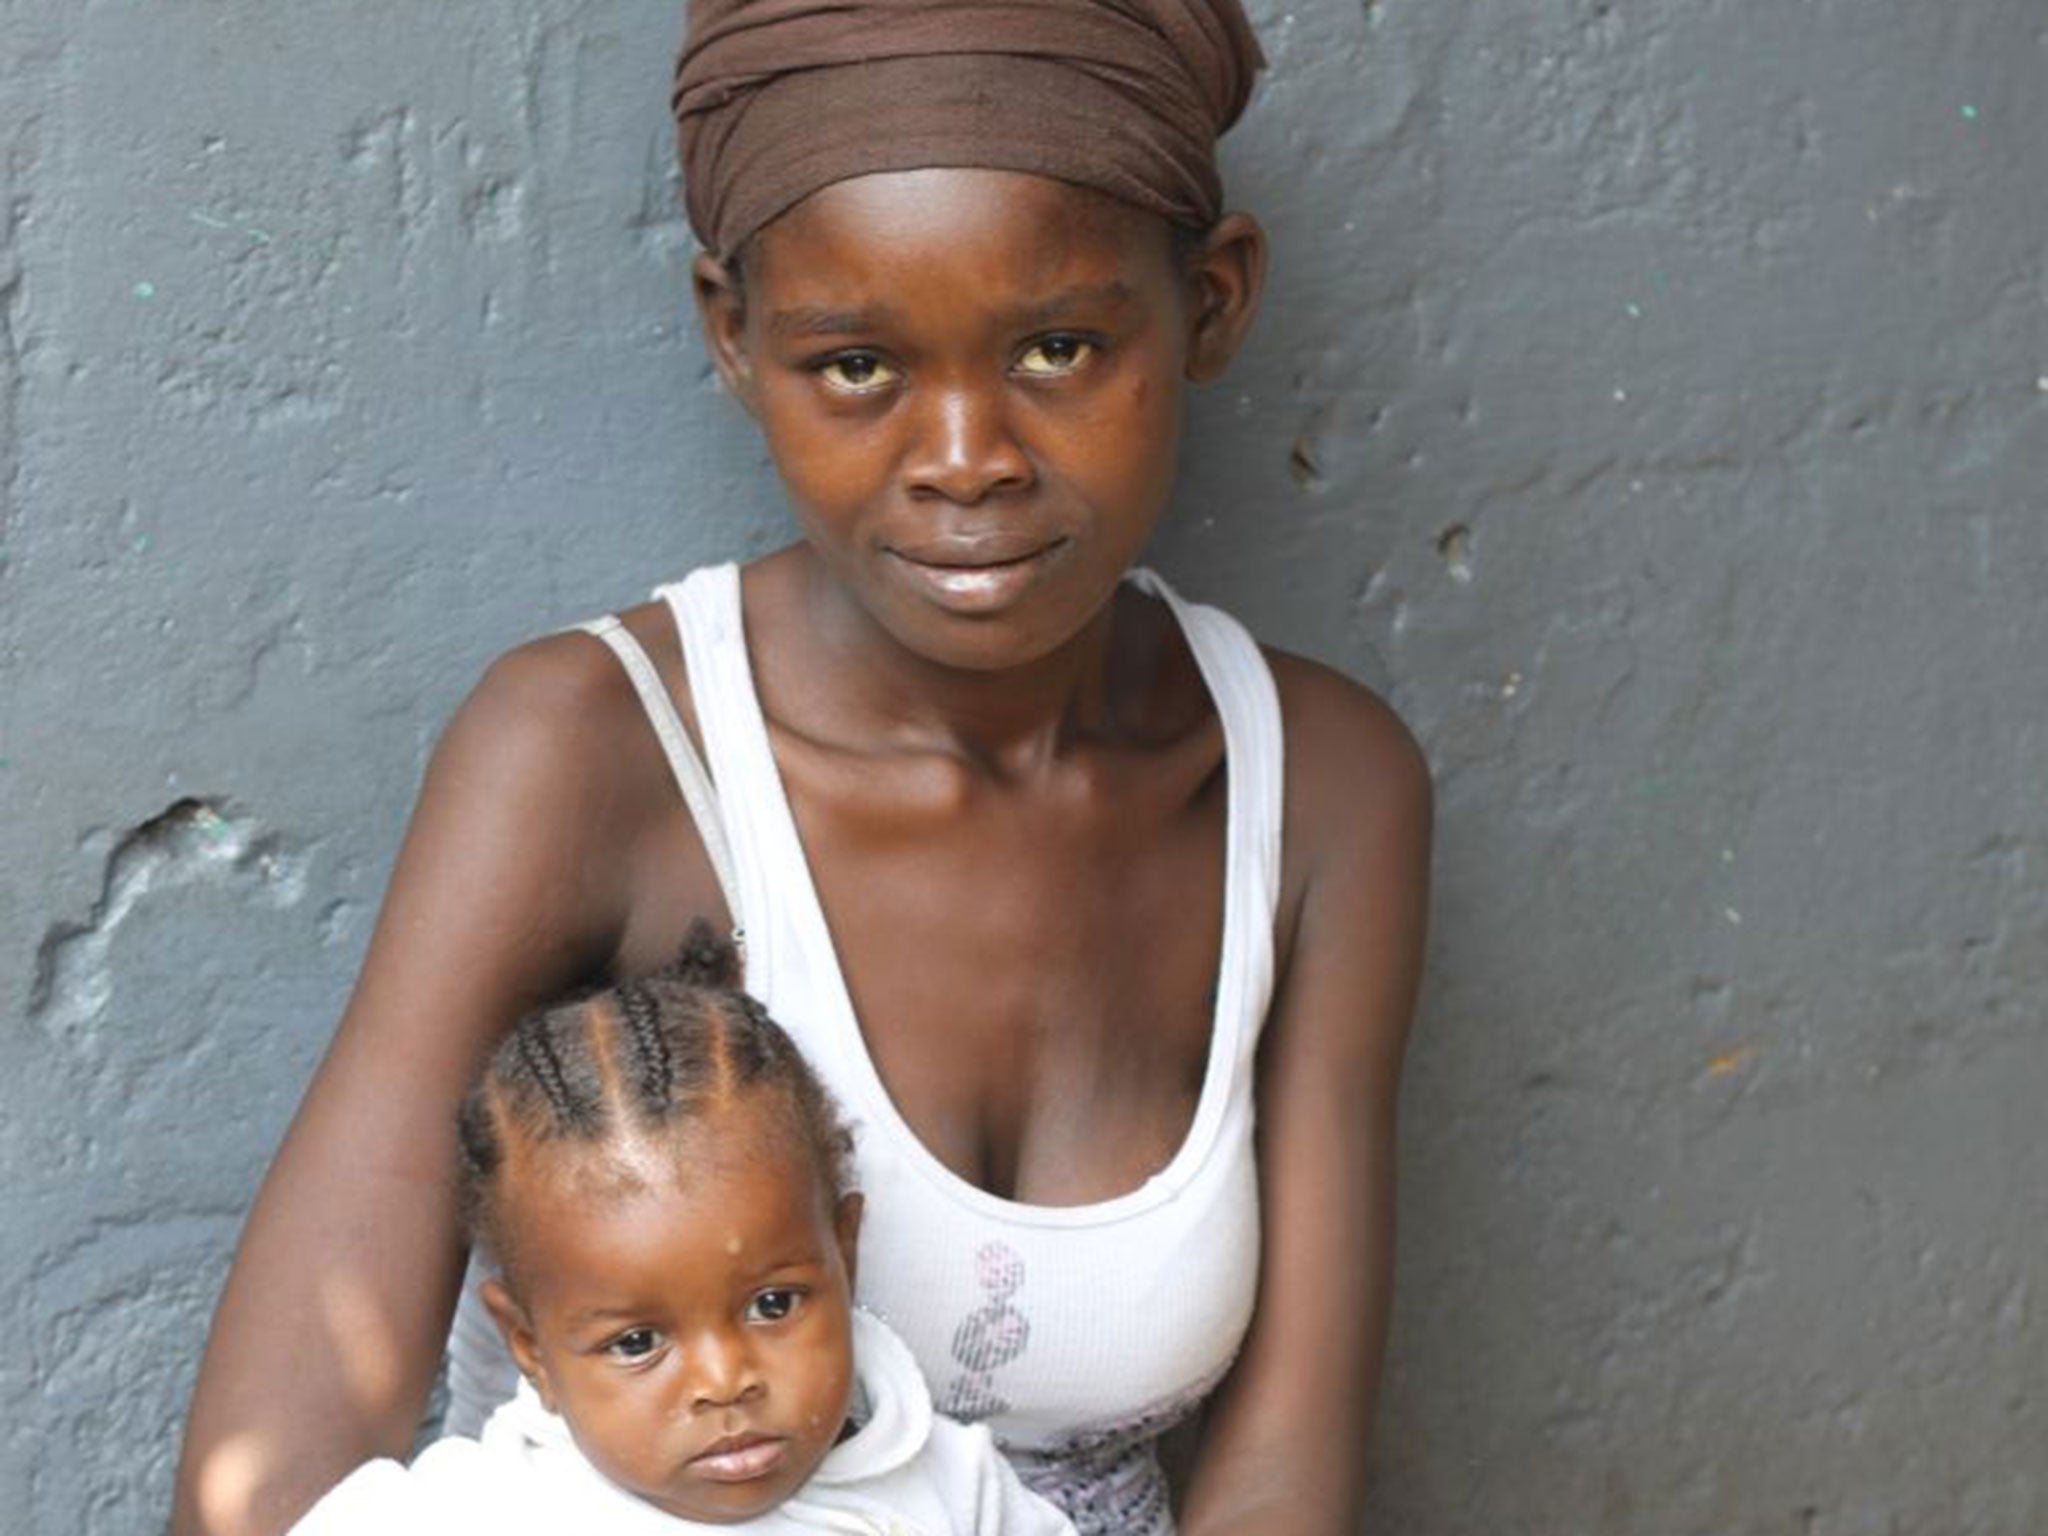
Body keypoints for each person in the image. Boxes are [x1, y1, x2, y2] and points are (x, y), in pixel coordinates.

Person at [172, 2, 1433, 1534]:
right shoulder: (592, 752)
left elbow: (1286, 1473)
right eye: (854, 365)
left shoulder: (1322, 789)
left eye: (1059, 348)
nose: (966, 452)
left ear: (1213, 303)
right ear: (733, 336)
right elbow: (267, 1482)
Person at [287, 931, 1076, 1536]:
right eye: (636, 1344)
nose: (724, 1380)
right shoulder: (474, 1514)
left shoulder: (954, 1491)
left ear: (846, 1252)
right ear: (531, 1352)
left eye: (773, 1303)